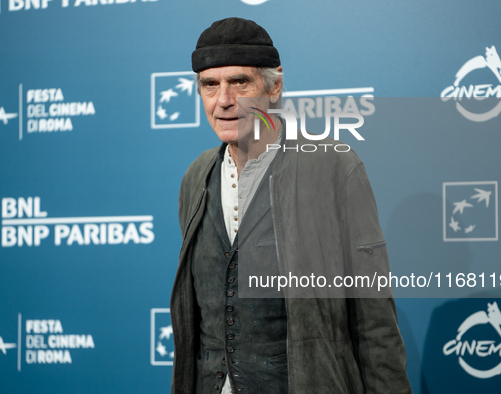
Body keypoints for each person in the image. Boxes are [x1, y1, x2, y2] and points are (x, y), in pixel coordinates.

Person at [170, 17, 412, 394]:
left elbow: (374, 320)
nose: (224, 101)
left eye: (239, 82)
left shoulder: (333, 166)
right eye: (209, 85)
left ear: (275, 85)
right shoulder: (196, 178)